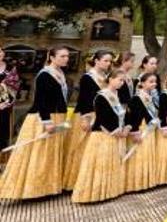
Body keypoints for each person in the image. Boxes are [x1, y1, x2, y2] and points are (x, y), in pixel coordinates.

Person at [0, 47, 69, 200]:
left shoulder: (61, 73)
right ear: (51, 57)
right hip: (43, 117)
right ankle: (31, 189)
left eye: (67, 56)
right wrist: (47, 121)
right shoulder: (44, 75)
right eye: (62, 56)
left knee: (50, 154)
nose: (66, 59)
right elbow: (40, 100)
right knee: (37, 153)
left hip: (58, 115)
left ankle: (47, 187)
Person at [72, 69, 130, 203]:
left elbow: (120, 114)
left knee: (110, 164)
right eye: (119, 80)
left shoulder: (116, 95)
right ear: (110, 79)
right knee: (99, 164)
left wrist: (125, 127)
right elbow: (103, 117)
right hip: (103, 134)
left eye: (123, 81)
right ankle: (94, 193)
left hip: (115, 135)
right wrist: (117, 131)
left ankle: (110, 190)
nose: (122, 83)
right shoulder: (101, 96)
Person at [64, 50, 111, 191]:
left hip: (100, 115)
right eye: (105, 60)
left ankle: (90, 181)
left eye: (110, 61)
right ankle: (75, 181)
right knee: (81, 148)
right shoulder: (87, 77)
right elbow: (84, 99)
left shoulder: (106, 77)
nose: (108, 64)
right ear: (96, 60)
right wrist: (85, 118)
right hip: (86, 115)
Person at [124, 72, 161, 193]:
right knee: (139, 155)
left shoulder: (150, 97)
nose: (153, 84)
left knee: (147, 154)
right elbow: (132, 116)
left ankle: (147, 181)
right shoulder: (136, 98)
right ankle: (136, 183)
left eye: (155, 82)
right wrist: (134, 131)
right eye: (150, 82)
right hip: (141, 128)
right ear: (142, 83)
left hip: (149, 129)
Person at [0, 47, 21, 154]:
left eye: (0, 51)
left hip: (5, 106)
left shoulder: (10, 69)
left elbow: (15, 86)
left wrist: (5, 103)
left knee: (2, 133)